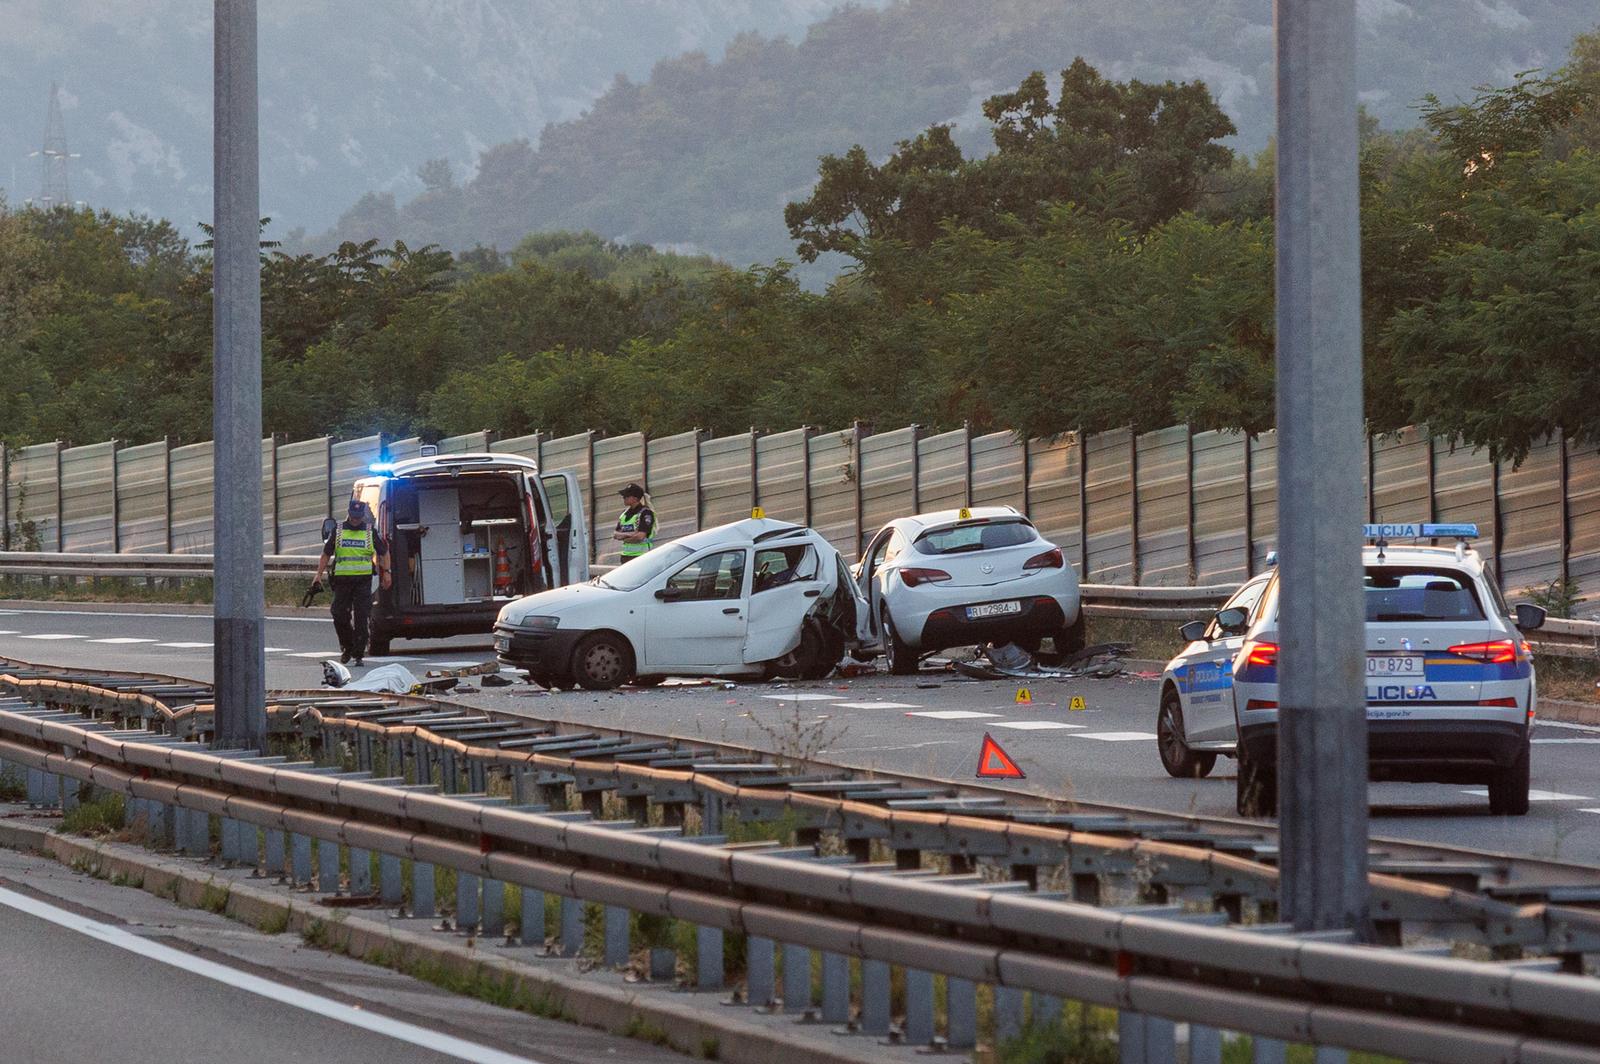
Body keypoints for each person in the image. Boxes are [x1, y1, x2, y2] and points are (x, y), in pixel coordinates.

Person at [312, 498, 392, 666]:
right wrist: (318, 575)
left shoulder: (370, 531)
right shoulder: (338, 530)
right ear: (349, 513)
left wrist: (387, 573)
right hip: (342, 581)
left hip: (363, 581)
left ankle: (358, 653)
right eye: (353, 516)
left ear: (362, 516)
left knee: (362, 617)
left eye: (358, 517)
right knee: (338, 613)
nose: (356, 520)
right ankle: (347, 646)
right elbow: (326, 554)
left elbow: (384, 552)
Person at [613, 483, 656, 563]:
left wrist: (624, 538)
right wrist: (631, 535)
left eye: (626, 496)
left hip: (641, 556)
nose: (623, 498)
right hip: (625, 556)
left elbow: (640, 537)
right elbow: (615, 534)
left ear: (635, 498)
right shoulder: (624, 514)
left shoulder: (646, 513)